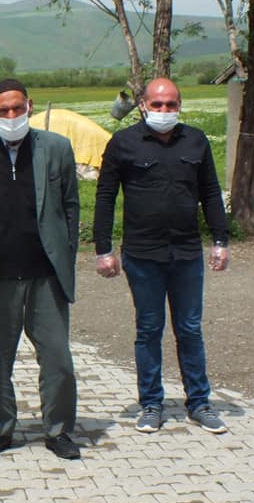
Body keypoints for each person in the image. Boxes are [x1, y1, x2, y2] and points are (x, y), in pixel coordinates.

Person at [0, 78, 81, 460]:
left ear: (30, 107)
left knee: (58, 360)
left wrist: (65, 254)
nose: (10, 116)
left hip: (45, 275)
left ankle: (58, 431)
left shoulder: (56, 148)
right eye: (2, 110)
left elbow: (71, 207)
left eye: (17, 108)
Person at [93, 77, 230, 434]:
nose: (164, 111)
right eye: (157, 105)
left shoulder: (196, 141)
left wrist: (220, 240)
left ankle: (200, 403)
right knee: (149, 330)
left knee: (189, 329)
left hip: (186, 253)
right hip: (142, 255)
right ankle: (151, 404)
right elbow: (106, 197)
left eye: (171, 104)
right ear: (143, 105)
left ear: (179, 106)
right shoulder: (123, 143)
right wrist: (103, 249)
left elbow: (211, 193)